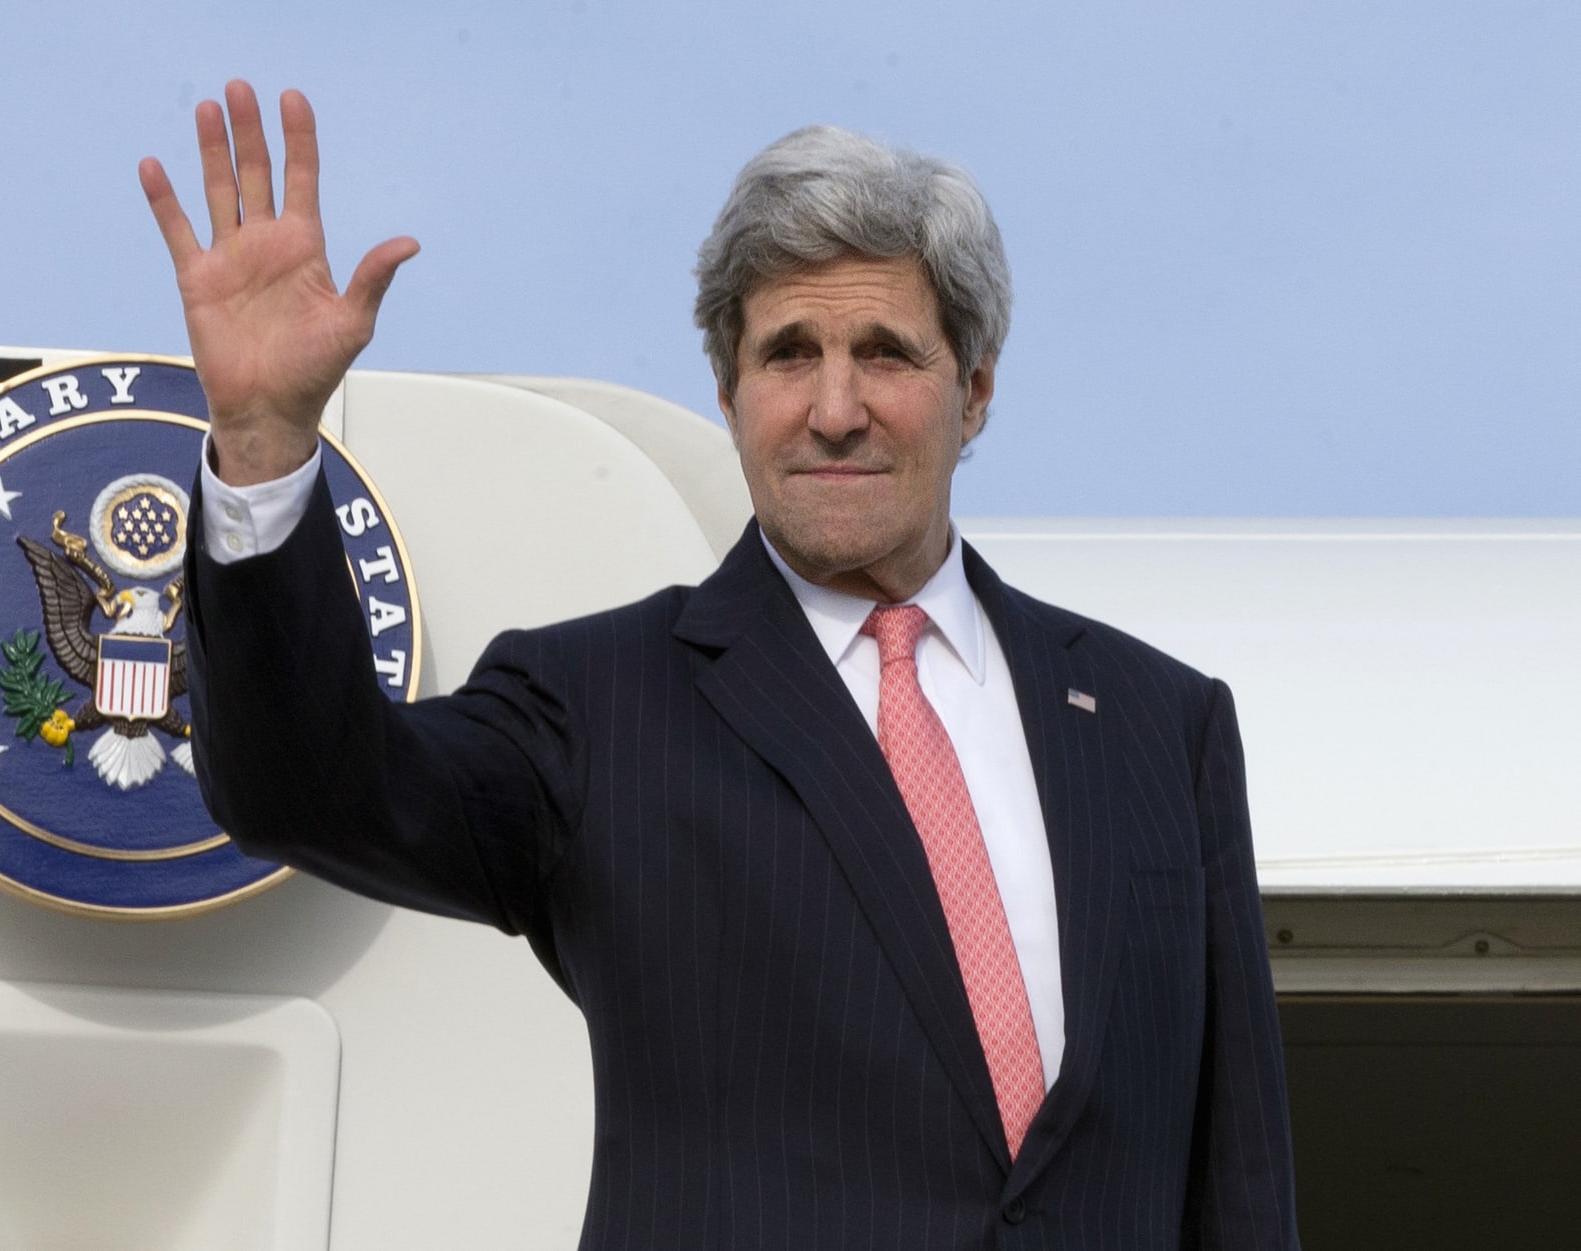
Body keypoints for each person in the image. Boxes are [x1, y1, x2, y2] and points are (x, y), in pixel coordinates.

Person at [145, 80, 1299, 1249]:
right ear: (729, 392)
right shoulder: (597, 708)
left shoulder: (1162, 725)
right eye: (788, 354)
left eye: (885, 354)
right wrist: (264, 448)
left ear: (977, 391)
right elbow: (306, 786)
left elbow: (1237, 1182)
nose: (834, 410)